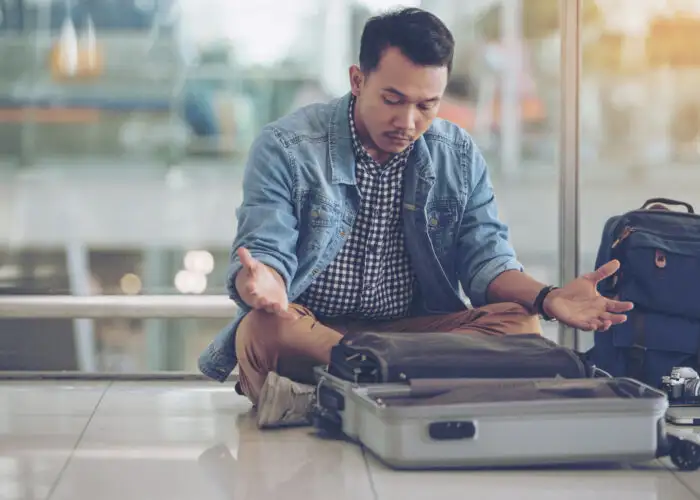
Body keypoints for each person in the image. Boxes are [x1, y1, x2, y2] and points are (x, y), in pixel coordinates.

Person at [198, 7, 633, 428]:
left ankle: (330, 400)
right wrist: (265, 284)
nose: (407, 122)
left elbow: (487, 260)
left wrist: (547, 297)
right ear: (357, 79)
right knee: (262, 330)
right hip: (316, 332)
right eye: (393, 99)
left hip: (411, 335)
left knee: (519, 324)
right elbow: (265, 250)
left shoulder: (457, 153)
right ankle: (411, 394)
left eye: (427, 105)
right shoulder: (287, 147)